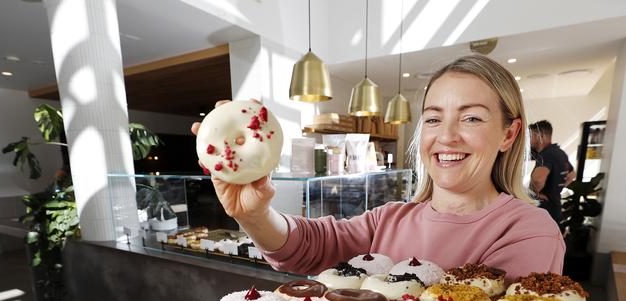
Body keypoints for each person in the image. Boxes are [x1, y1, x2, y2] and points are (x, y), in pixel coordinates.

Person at [192, 55, 564, 283]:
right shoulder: (390, 219)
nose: (446, 136)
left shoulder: (528, 231)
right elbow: (310, 246)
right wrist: (255, 214)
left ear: (509, 133)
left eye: (470, 118)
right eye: (433, 119)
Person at [529, 120, 576, 226]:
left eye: (531, 135)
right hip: (555, 207)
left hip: (544, 210)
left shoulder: (546, 155)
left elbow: (538, 179)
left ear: (539, 136)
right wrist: (555, 188)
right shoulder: (560, 153)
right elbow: (572, 175)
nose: (529, 139)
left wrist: (534, 193)